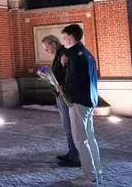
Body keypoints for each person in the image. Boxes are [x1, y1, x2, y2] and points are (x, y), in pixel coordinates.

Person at [56, 24, 103, 186]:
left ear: (70, 37)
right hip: (89, 100)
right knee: (89, 138)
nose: (63, 41)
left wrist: (62, 88)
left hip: (78, 101)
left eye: (64, 37)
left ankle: (90, 177)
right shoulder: (85, 53)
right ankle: (97, 173)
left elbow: (76, 79)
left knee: (80, 140)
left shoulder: (76, 55)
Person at [41, 35, 80, 168]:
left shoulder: (64, 54)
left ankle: (75, 157)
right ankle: (71, 153)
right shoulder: (59, 54)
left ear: (53, 43)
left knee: (70, 126)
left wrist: (60, 85)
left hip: (65, 94)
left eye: (47, 47)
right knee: (67, 126)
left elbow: (69, 74)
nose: (46, 50)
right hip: (60, 93)